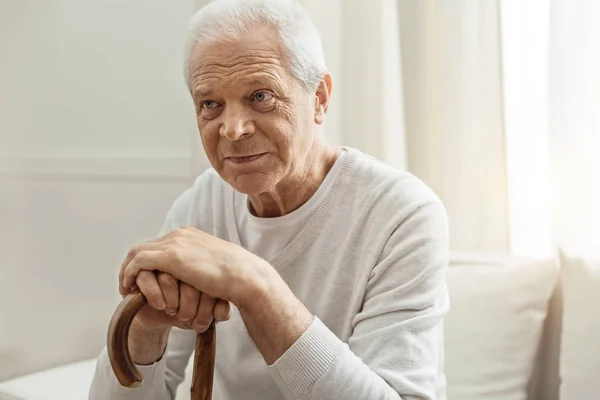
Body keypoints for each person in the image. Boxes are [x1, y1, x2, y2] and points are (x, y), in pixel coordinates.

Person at [89, 0, 450, 399]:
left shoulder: (403, 215)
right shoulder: (201, 205)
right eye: (210, 104)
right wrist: (144, 332)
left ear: (320, 98)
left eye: (260, 96)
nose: (232, 128)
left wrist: (255, 284)